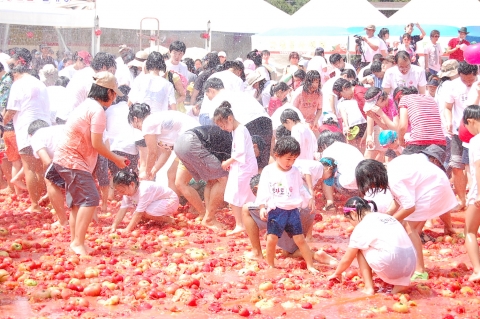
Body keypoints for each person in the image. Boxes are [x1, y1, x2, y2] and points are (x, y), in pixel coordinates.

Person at [52, 72, 127, 255]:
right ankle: (77, 243)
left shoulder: (86, 105)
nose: (115, 97)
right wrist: (116, 159)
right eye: (114, 93)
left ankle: (75, 242)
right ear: (107, 92)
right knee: (90, 199)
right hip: (73, 159)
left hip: (66, 158)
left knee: (78, 203)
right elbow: (97, 144)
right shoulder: (97, 110)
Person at [355, 147, 457, 280]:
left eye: (371, 185)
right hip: (432, 183)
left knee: (409, 228)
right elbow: (397, 201)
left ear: (373, 177)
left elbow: (409, 207)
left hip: (434, 187)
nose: (373, 188)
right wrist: (386, 217)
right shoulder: (390, 170)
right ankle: (411, 263)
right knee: (407, 226)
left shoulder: (393, 179)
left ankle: (420, 270)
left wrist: (388, 222)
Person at [256, 136, 318, 274]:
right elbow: (263, 189)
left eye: (294, 159)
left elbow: (301, 188)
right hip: (276, 210)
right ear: (277, 155)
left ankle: (310, 265)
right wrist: (261, 207)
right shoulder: (268, 170)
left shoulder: (295, 171)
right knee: (271, 239)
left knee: (300, 239)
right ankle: (271, 265)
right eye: (288, 159)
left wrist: (310, 199)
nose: (290, 162)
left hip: (292, 211)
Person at [328, 197, 415, 295]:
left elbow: (347, 259)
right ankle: (400, 283)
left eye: (349, 221)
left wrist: (337, 273)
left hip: (392, 264)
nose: (351, 224)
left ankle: (368, 288)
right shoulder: (387, 217)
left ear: (353, 214)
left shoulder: (362, 226)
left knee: (359, 249)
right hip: (411, 266)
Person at [4, 48, 51, 212]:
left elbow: (11, 111)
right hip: (45, 128)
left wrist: (3, 120)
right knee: (41, 167)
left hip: (27, 129)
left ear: (16, 74)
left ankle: (35, 204)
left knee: (30, 167)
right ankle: (47, 199)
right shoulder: (39, 83)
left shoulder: (18, 84)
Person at [174, 125, 232, 230]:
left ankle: (207, 215)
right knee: (223, 180)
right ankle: (209, 219)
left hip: (179, 144)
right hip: (193, 143)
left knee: (212, 180)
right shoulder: (234, 139)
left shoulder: (226, 132)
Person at [128, 104, 198, 189]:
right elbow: (166, 152)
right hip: (192, 139)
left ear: (135, 119)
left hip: (192, 140)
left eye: (137, 127)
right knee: (171, 174)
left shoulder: (147, 123)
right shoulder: (155, 122)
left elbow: (152, 153)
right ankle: (177, 201)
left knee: (180, 183)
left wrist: (147, 172)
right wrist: (153, 171)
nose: (141, 131)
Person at [213, 101, 258, 236]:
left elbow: (239, 153)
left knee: (237, 195)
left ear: (230, 119)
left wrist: (227, 162)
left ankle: (241, 224)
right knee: (241, 196)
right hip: (242, 166)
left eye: (223, 125)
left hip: (244, 167)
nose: (223, 128)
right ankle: (245, 223)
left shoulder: (239, 130)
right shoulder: (236, 130)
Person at [445, 62, 479, 210]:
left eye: (470, 80)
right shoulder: (453, 86)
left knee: (472, 166)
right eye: (464, 80)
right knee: (457, 166)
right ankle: (462, 200)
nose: (468, 83)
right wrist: (448, 121)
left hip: (476, 131)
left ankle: (474, 200)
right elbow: (448, 107)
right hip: (459, 133)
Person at [110, 170, 178, 233]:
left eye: (122, 191)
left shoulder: (144, 190)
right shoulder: (127, 192)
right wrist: (113, 226)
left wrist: (127, 230)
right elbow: (122, 209)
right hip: (157, 201)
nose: (121, 194)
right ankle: (157, 218)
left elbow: (139, 213)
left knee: (143, 213)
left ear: (132, 184)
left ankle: (169, 220)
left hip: (171, 200)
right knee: (136, 215)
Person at [28, 120, 67, 227]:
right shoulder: (57, 128)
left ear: (30, 135)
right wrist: (47, 195)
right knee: (79, 183)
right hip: (86, 152)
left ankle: (63, 221)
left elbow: (47, 161)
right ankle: (92, 217)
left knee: (50, 180)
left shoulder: (35, 137)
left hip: (67, 154)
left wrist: (50, 187)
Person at [317, 131, 363, 211]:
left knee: (327, 172)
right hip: (363, 185)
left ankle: (330, 204)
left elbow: (325, 175)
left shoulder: (328, 151)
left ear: (324, 144)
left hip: (347, 184)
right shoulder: (351, 147)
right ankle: (360, 200)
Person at [393, 86, 446, 154]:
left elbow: (403, 126)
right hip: (440, 142)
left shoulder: (404, 99)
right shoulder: (429, 98)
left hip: (419, 142)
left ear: (400, 96)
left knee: (404, 163)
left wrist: (400, 140)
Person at [462, 105, 480, 282]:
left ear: (471, 121)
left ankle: (478, 269)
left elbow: (479, 166)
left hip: (478, 192)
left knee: (470, 231)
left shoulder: (476, 141)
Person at [363, 86, 398, 161]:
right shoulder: (378, 106)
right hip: (388, 129)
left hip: (402, 132)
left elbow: (395, 129)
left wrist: (381, 114)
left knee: (390, 158)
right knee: (369, 153)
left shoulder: (393, 103)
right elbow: (386, 128)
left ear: (381, 99)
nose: (373, 107)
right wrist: (369, 135)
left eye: (374, 104)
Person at [333, 78, 367, 149]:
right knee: (361, 146)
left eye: (342, 95)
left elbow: (367, 111)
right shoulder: (356, 93)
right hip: (361, 123)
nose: (343, 97)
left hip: (360, 123)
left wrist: (346, 125)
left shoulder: (358, 94)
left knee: (356, 146)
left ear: (344, 89)